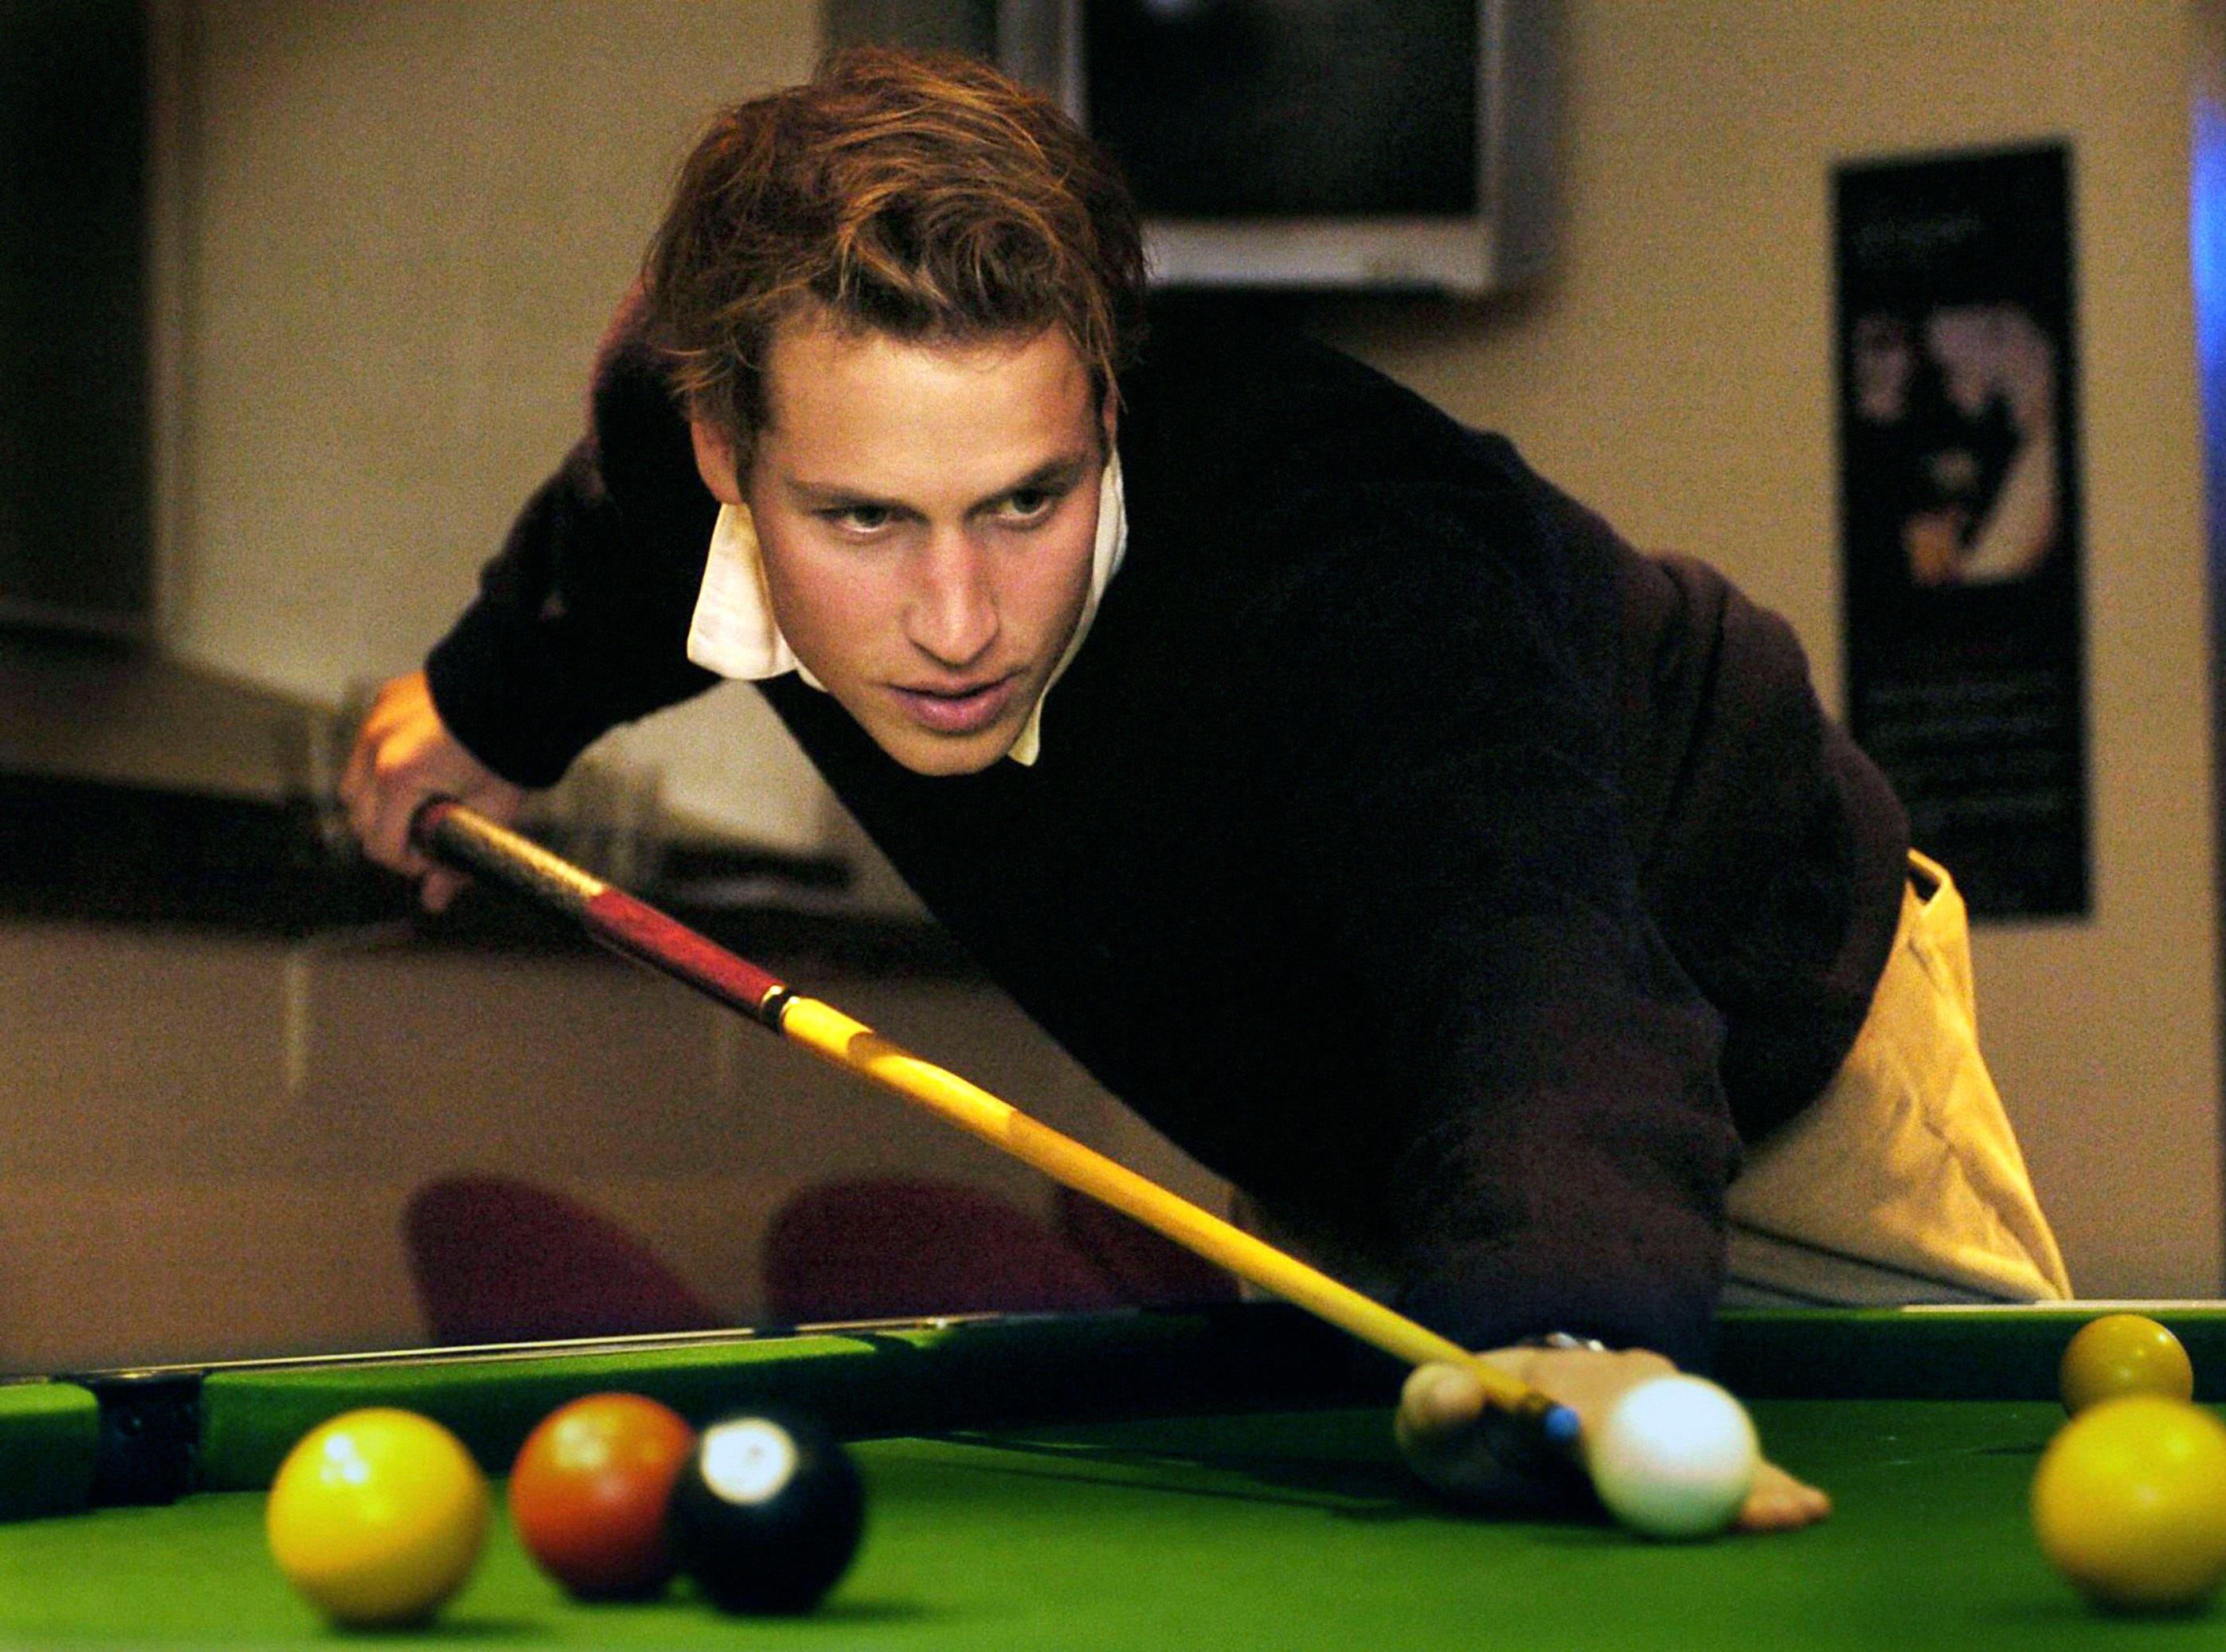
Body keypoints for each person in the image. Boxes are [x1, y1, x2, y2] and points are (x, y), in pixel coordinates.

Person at [342, 45, 2068, 1530]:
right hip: (1348, 1132)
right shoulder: (675, 444)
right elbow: (609, 552)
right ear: (731, 456)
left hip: (1757, 1031)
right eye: (865, 519)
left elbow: (1538, 970)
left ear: (1104, 404)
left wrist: (1570, 1330)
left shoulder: (1343, 560)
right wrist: (477, 712)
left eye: (1029, 501)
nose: (956, 624)